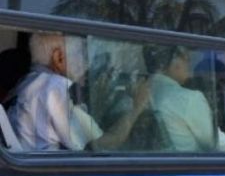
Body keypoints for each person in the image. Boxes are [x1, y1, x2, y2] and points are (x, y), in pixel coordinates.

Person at [9, 33, 149, 151]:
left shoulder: (26, 82)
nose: (86, 63)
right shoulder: (54, 87)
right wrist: (137, 107)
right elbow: (103, 144)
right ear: (59, 58)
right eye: (80, 53)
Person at [145, 44, 225, 153]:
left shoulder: (145, 95)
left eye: (222, 81)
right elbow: (217, 144)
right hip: (188, 165)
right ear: (174, 63)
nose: (189, 64)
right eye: (187, 59)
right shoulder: (189, 99)